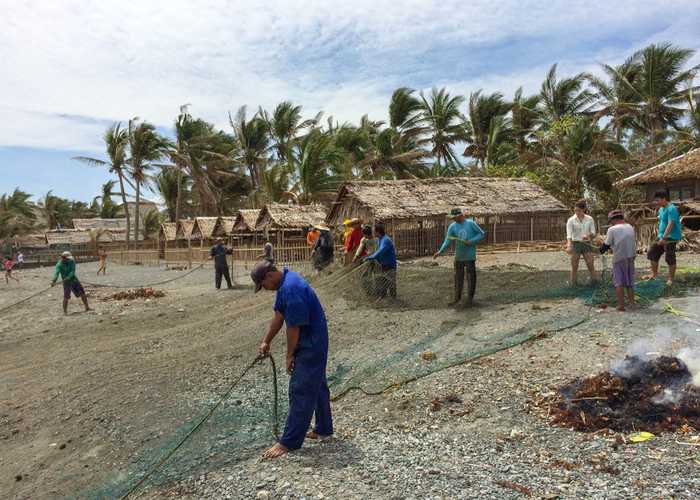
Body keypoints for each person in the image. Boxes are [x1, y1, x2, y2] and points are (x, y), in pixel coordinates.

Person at [251, 260, 333, 459]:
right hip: (311, 340)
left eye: (263, 285)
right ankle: (323, 429)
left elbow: (293, 327)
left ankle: (289, 441)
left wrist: (289, 356)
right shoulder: (284, 284)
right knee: (317, 385)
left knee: (301, 389)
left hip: (311, 344)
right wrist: (266, 341)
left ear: (270, 275)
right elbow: (279, 315)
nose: (265, 289)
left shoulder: (292, 289)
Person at [433, 208, 486, 306]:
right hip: (459, 256)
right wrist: (440, 251)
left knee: (471, 277)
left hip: (470, 256)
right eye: (452, 218)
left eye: (455, 217)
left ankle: (470, 299)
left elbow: (481, 234)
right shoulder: (452, 227)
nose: (453, 219)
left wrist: (471, 241)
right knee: (458, 278)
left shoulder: (471, 224)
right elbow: (447, 240)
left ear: (461, 216)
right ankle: (457, 299)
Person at [599, 210, 637, 311]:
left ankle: (621, 305)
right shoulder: (630, 227)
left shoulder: (612, 229)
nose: (610, 223)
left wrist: (599, 249)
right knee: (629, 281)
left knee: (619, 282)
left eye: (610, 221)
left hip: (620, 258)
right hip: (631, 257)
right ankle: (632, 303)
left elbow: (605, 246)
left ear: (613, 219)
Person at [644, 190, 682, 286]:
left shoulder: (672, 209)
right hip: (661, 236)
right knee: (652, 252)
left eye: (658, 200)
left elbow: (671, 223)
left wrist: (664, 238)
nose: (656, 202)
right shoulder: (661, 209)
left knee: (670, 257)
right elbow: (662, 222)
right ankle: (654, 274)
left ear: (664, 199)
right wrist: (660, 236)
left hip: (671, 237)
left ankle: (670, 279)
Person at [565, 199, 598, 286]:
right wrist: (569, 246)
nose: (577, 212)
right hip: (576, 244)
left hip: (587, 244)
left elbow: (593, 233)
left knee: (590, 263)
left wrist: (589, 236)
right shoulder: (571, 220)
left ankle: (595, 282)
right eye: (575, 210)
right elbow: (569, 235)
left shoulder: (589, 219)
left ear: (583, 209)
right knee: (574, 265)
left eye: (579, 210)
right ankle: (573, 284)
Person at [364, 223, 397, 299]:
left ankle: (394, 299)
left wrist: (370, 257)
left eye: (373, 231)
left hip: (390, 265)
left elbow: (380, 251)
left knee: (391, 283)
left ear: (378, 231)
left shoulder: (386, 240)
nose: (372, 232)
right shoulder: (379, 239)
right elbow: (378, 251)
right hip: (383, 264)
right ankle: (382, 297)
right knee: (382, 282)